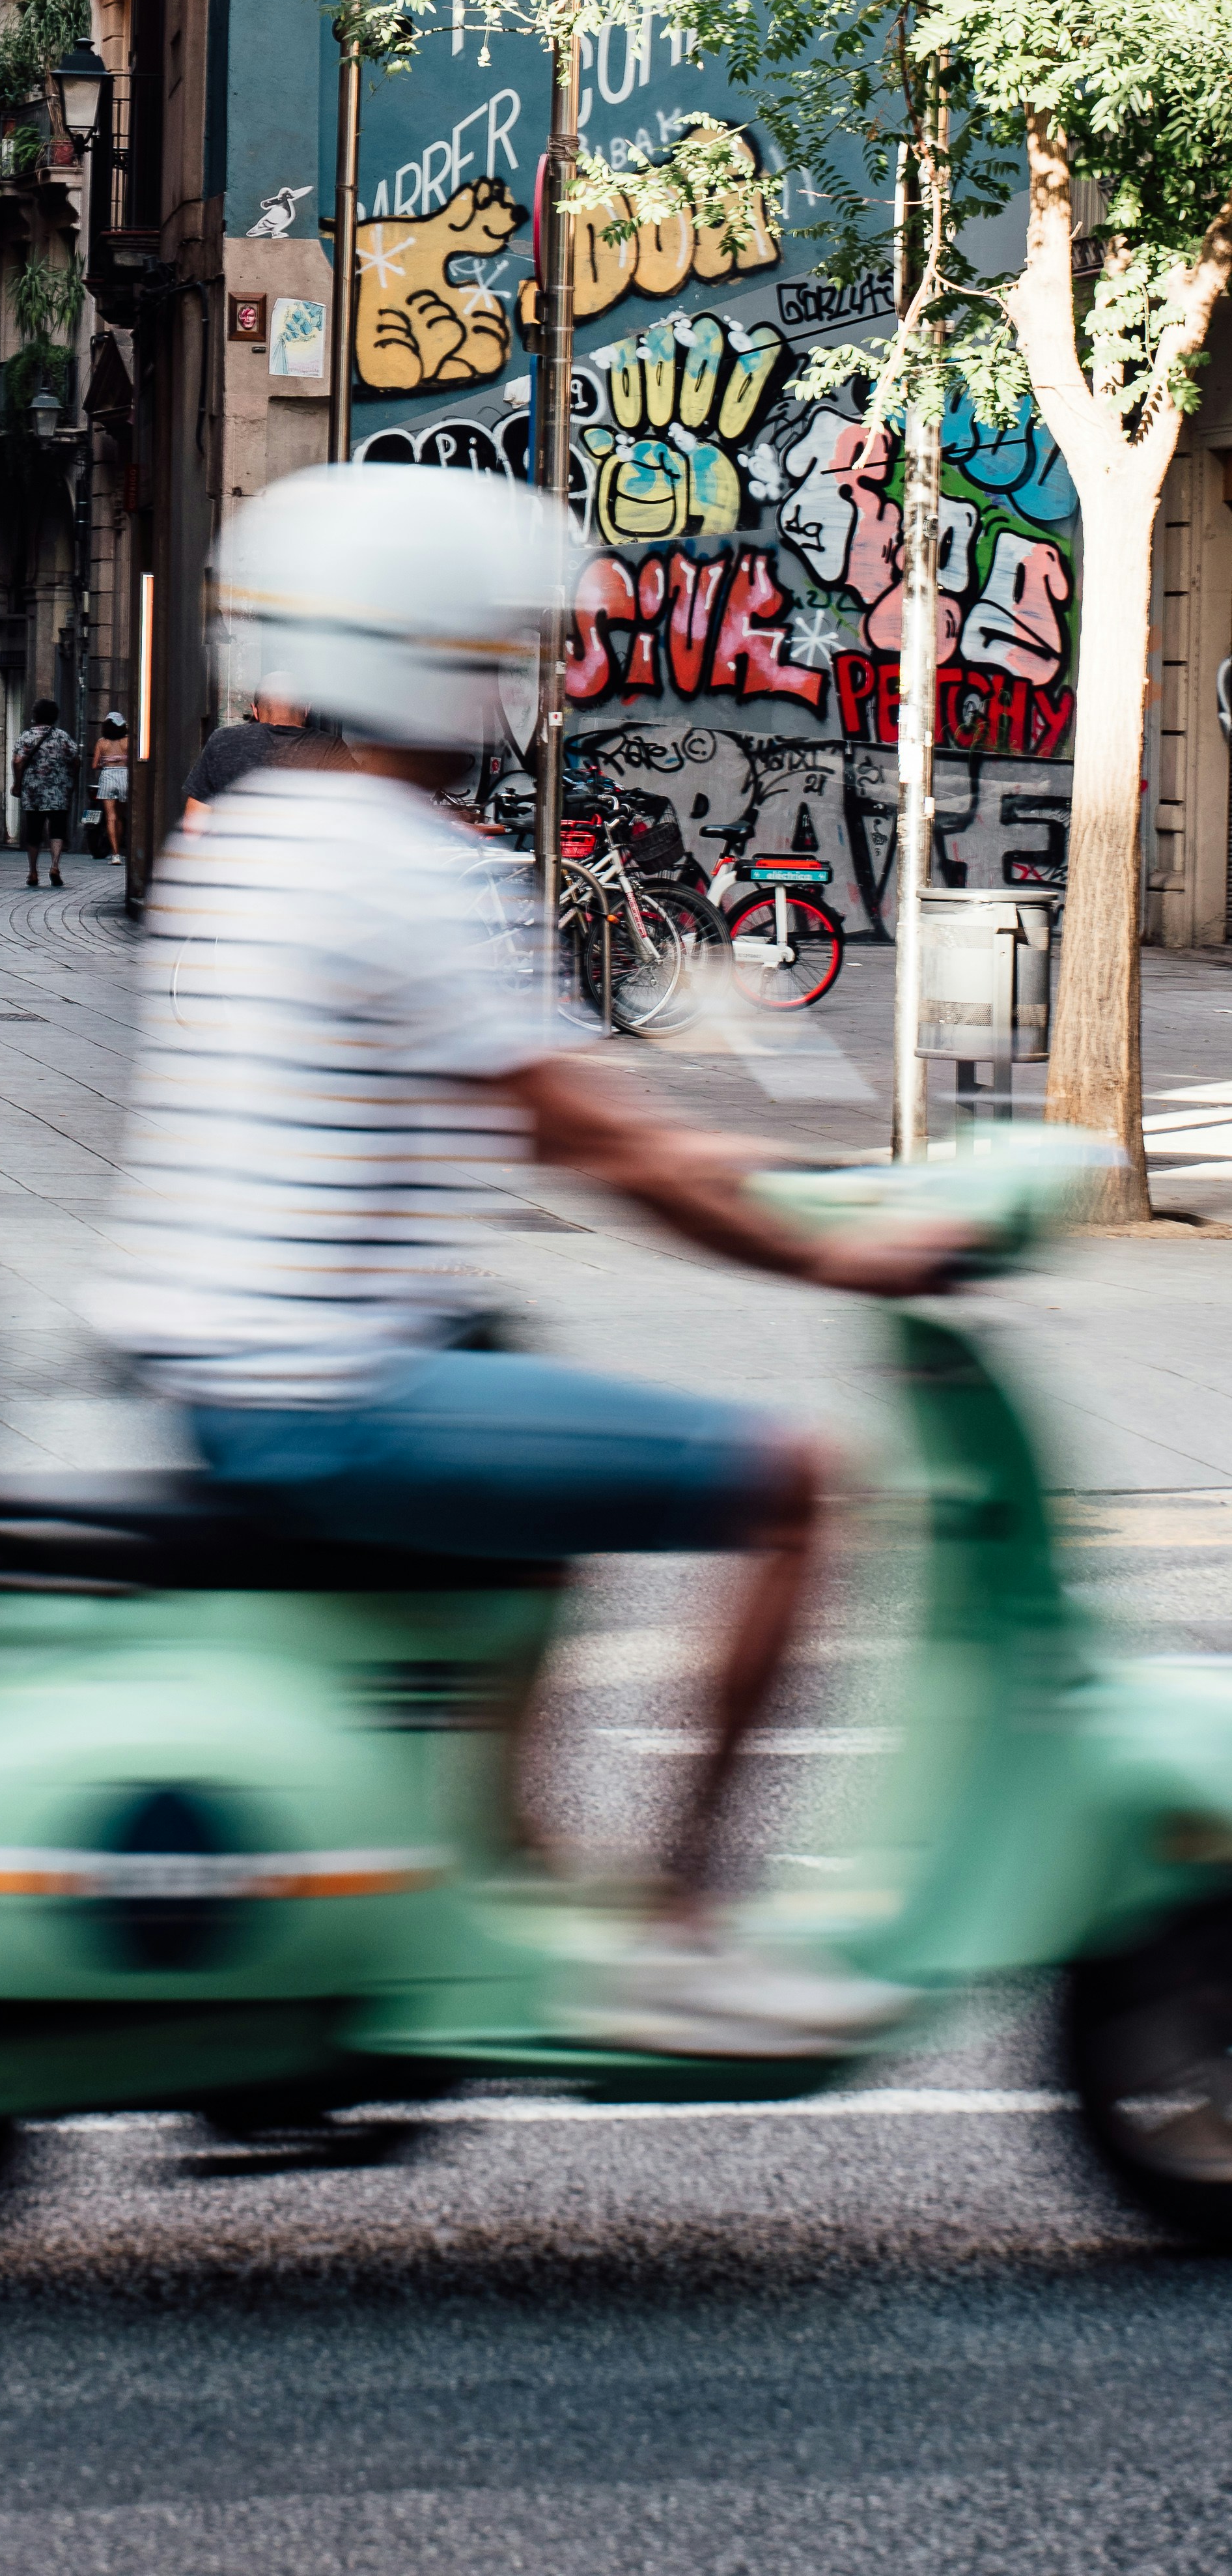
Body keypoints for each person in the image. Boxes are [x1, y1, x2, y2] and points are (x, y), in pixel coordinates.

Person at [94, 464, 962, 2056]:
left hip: (222, 1364)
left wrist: (788, 1182)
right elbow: (606, 1143)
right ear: (431, 656)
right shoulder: (407, 865)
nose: (515, 679)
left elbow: (568, 1120)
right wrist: (845, 1257)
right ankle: (683, 1935)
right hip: (329, 1396)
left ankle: (502, 1854)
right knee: (795, 1485)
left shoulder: (260, 835)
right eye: (496, 645)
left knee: (532, 1444)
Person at [182, 686, 308, 828]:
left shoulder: (223, 741)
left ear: (255, 711)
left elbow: (193, 828)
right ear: (307, 709)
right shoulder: (326, 748)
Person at [12, 699, 81, 886]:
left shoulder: (27, 736)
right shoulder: (62, 737)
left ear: (35, 715)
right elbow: (76, 759)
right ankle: (55, 866)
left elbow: (18, 761)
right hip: (58, 791)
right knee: (57, 829)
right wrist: (71, 779)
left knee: (33, 831)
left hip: (33, 791)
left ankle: (33, 872)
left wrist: (18, 783)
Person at [91, 709, 131, 864]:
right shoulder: (128, 741)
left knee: (110, 817)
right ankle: (119, 848)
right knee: (120, 817)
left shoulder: (101, 743)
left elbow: (95, 765)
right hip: (124, 776)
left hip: (108, 776)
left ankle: (115, 854)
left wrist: (106, 762)